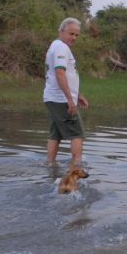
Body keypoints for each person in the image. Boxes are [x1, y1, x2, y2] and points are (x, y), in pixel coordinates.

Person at [44, 17, 90, 167]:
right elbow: (60, 73)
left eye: (76, 35)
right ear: (61, 31)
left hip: (54, 98)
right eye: (71, 33)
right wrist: (70, 100)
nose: (74, 37)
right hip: (61, 100)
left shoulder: (56, 46)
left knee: (55, 134)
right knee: (77, 134)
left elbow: (68, 76)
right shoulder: (61, 48)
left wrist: (78, 95)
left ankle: (50, 166)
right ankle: (76, 168)